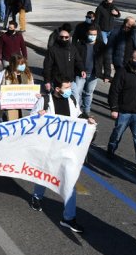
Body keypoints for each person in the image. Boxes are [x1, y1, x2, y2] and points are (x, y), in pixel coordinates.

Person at [29, 77, 96, 234]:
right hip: (50, 148)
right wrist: (39, 115)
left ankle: (68, 218)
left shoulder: (71, 99)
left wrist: (88, 119)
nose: (69, 90)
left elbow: (78, 115)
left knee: (70, 181)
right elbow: (31, 120)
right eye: (66, 87)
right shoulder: (45, 101)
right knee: (44, 174)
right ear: (57, 89)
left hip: (68, 148)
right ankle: (37, 197)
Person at [107, 50, 136, 172]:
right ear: (131, 59)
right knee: (117, 134)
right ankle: (111, 150)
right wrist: (114, 108)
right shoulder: (122, 73)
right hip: (124, 112)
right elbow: (114, 91)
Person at [0, 54, 37, 122]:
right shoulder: (4, 74)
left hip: (25, 108)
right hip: (9, 108)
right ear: (13, 64)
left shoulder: (28, 74)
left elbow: (32, 88)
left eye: (23, 63)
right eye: (20, 64)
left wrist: (36, 95)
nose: (22, 66)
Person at [74, 26, 106, 117]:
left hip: (93, 74)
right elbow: (76, 59)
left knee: (89, 93)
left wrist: (106, 74)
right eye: (91, 34)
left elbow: (106, 59)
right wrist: (81, 69)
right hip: (80, 74)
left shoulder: (101, 45)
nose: (92, 36)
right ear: (87, 34)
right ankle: (77, 110)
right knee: (77, 92)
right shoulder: (80, 44)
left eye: (94, 35)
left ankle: (86, 111)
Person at [43, 27, 83, 93]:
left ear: (69, 37)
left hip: (70, 82)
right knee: (58, 101)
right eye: (61, 37)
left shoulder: (73, 49)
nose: (64, 39)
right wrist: (47, 81)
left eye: (66, 37)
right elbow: (47, 67)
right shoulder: (52, 50)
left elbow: (78, 60)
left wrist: (82, 69)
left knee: (76, 99)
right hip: (57, 82)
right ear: (58, 37)